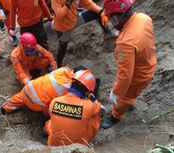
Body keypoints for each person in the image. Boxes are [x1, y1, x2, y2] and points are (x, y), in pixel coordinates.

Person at [101, 0, 157, 129]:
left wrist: (115, 93)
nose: (111, 22)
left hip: (138, 76)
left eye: (111, 18)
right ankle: (129, 101)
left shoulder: (125, 44)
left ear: (116, 17)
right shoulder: (144, 18)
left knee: (124, 97)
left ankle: (116, 115)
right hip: (148, 62)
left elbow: (125, 77)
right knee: (129, 93)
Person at [44, 69, 105, 146]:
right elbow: (102, 109)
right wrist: (93, 99)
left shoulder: (54, 101)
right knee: (96, 116)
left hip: (53, 146)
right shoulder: (90, 106)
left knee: (52, 121)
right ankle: (85, 141)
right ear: (87, 92)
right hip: (79, 146)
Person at [0, 66, 93, 114]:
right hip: (36, 105)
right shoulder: (69, 87)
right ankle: (45, 122)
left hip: (27, 88)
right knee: (56, 105)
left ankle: (3, 109)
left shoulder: (63, 69)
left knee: (20, 97)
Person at [51, 0, 114, 67]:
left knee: (97, 12)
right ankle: (58, 67)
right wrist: (68, 3)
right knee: (62, 50)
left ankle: (108, 35)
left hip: (75, 20)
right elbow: (60, 15)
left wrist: (101, 11)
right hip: (63, 28)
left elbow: (87, 3)